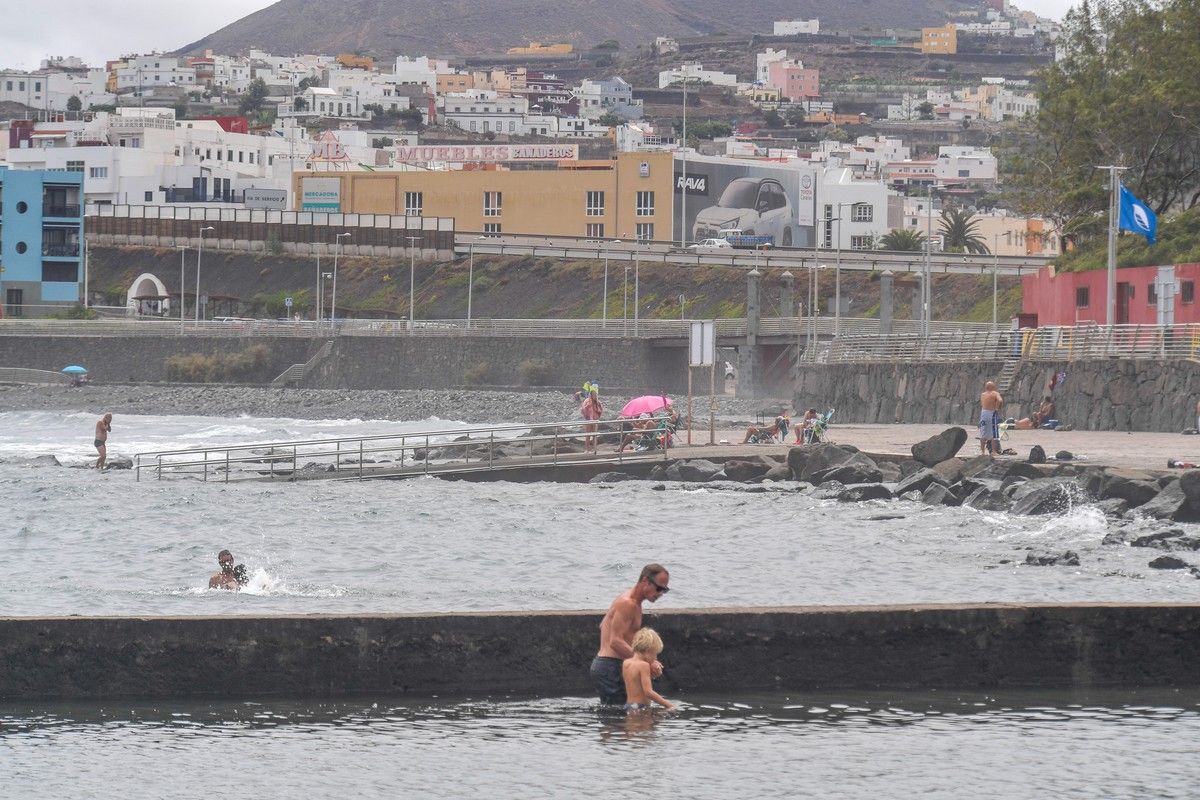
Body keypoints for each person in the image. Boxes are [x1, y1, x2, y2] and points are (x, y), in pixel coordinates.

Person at [590, 563, 670, 706]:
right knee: (620, 719)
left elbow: (603, 625)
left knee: (624, 716)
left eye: (665, 590)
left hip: (614, 665)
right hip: (610, 667)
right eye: (658, 588)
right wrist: (646, 661)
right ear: (645, 581)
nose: (660, 594)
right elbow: (614, 641)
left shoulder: (634, 603)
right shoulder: (628, 603)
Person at [621, 628, 675, 712]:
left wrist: (652, 674)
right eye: (655, 654)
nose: (656, 658)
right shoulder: (644, 665)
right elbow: (648, 692)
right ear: (647, 651)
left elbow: (636, 682)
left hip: (629, 706)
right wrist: (668, 705)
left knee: (632, 725)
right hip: (641, 707)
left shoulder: (626, 663)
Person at [979, 381, 1003, 456]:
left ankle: (982, 452)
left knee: (983, 433)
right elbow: (1000, 400)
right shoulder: (995, 393)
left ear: (986, 387)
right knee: (993, 433)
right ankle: (993, 451)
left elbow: (982, 404)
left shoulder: (983, 394)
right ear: (992, 387)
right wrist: (997, 408)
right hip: (991, 413)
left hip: (983, 413)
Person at [580, 388, 603, 454]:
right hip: (588, 420)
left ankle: (594, 449)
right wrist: (588, 406)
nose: (595, 396)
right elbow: (582, 409)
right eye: (593, 395)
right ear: (591, 395)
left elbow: (600, 410)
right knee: (588, 435)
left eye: (595, 395)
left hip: (595, 420)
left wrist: (599, 406)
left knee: (594, 435)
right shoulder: (587, 401)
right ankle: (587, 449)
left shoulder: (598, 402)